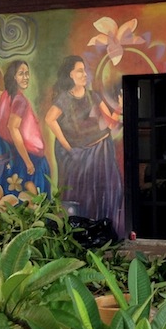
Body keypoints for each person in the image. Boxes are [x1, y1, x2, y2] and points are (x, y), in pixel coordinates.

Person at [45, 55, 123, 237]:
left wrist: (119, 109)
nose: (84, 74)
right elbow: (50, 119)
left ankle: (100, 231)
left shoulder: (93, 96)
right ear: (70, 75)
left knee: (105, 192)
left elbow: (110, 124)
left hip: (101, 151)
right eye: (79, 71)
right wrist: (68, 147)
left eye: (84, 70)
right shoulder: (64, 98)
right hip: (81, 156)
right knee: (82, 195)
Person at [0, 60, 50, 197]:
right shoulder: (19, 100)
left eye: (27, 73)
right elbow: (12, 128)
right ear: (13, 77)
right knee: (31, 198)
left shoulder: (6, 95)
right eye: (21, 74)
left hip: (11, 153)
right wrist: (28, 162)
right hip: (25, 156)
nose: (26, 77)